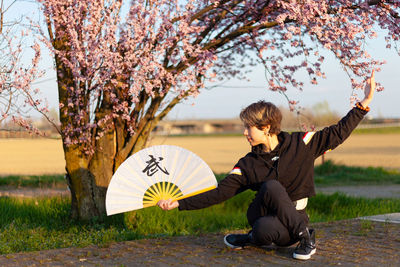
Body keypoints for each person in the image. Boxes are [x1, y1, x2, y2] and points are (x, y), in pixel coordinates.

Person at [157, 70, 376, 260]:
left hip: (294, 219)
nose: (244, 132)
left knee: (263, 230)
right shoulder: (247, 164)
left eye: (249, 127)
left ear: (266, 127)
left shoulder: (302, 144)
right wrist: (180, 202)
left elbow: (337, 133)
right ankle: (304, 237)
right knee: (269, 192)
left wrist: (364, 103)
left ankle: (269, 237)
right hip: (262, 212)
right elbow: (219, 193)